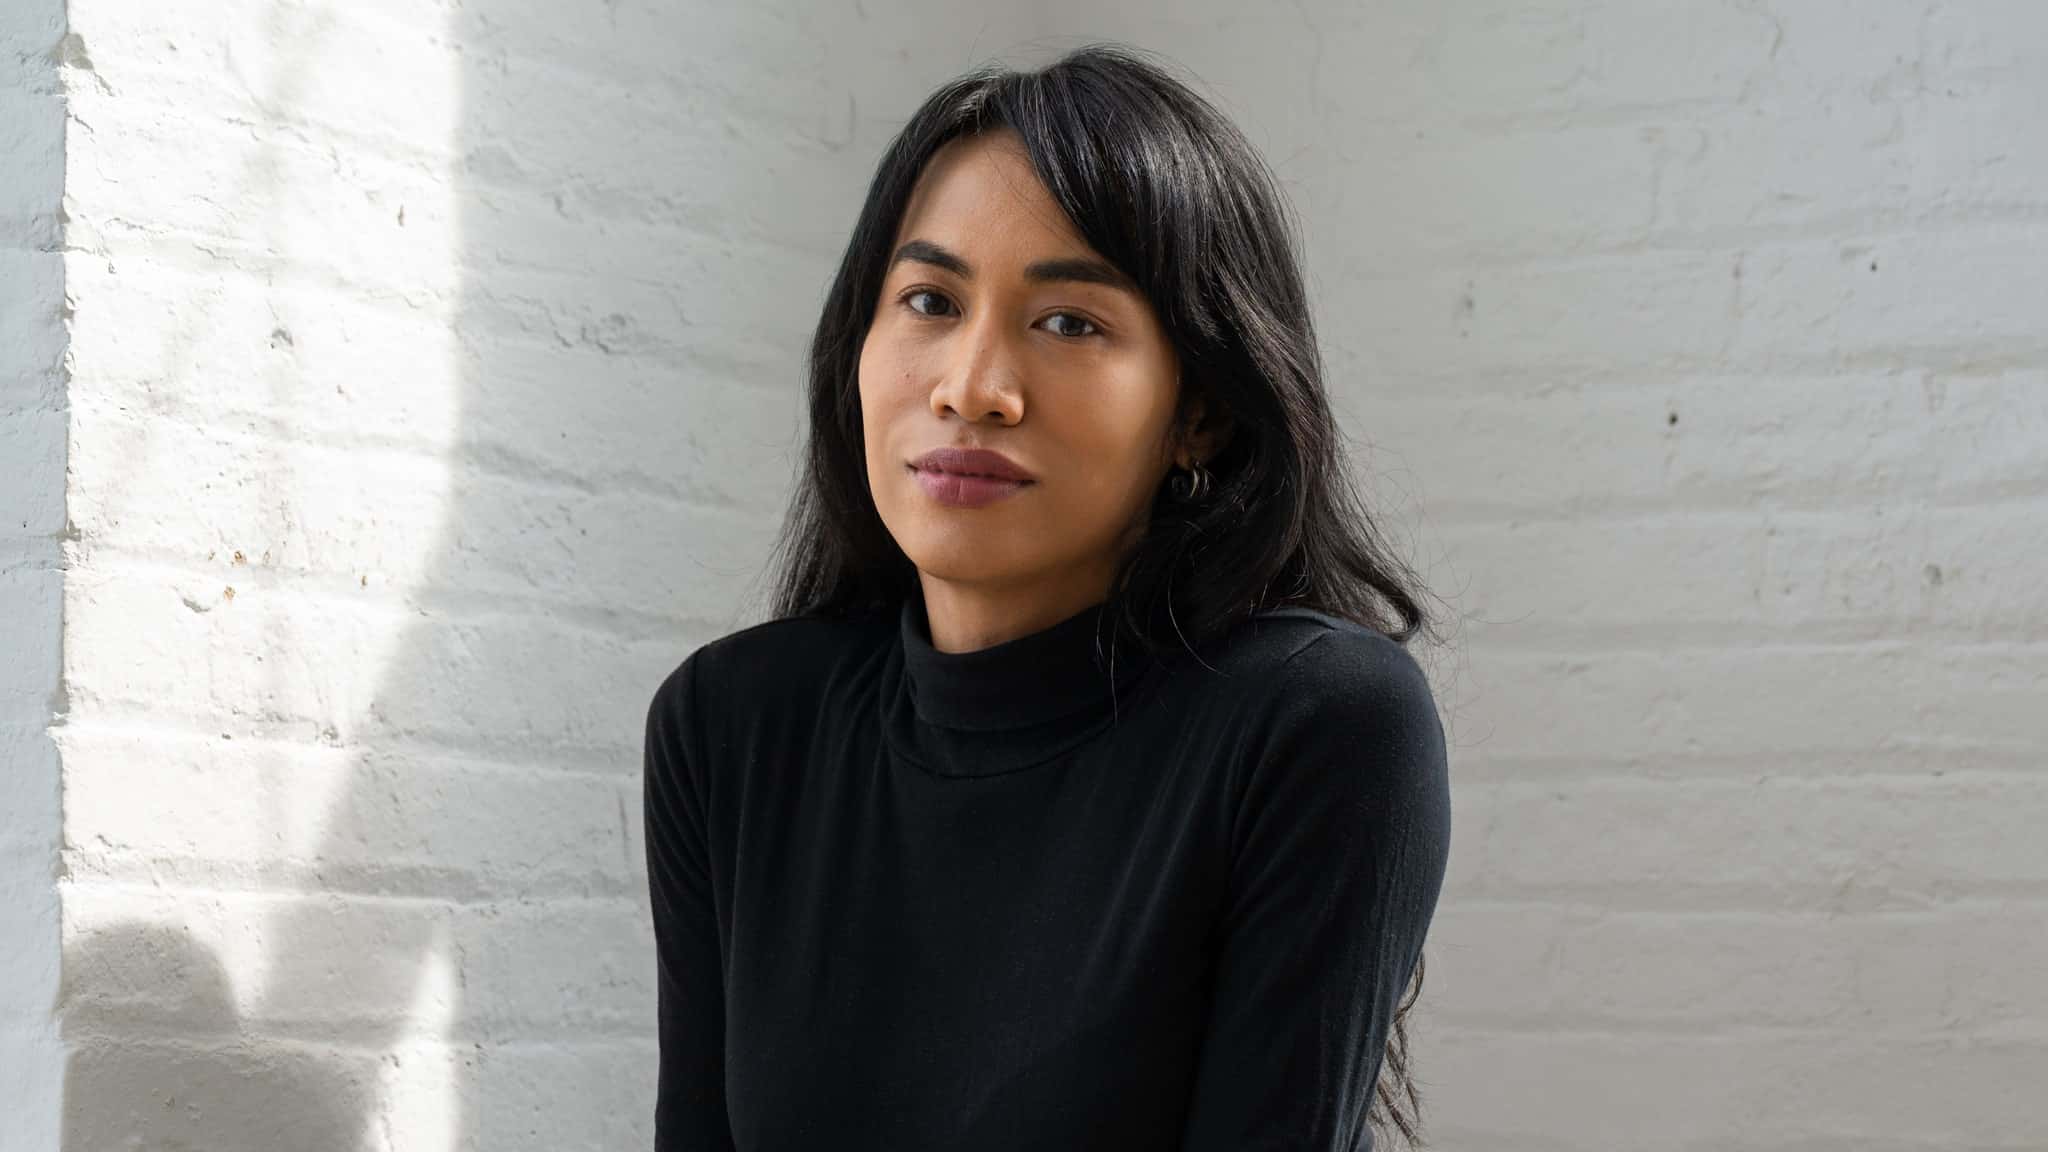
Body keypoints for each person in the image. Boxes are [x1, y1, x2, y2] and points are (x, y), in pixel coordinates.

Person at [643, 42, 1453, 1152]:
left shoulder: (1314, 724)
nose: (971, 387)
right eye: (929, 300)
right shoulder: (734, 726)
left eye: (1070, 322)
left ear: (1199, 413)